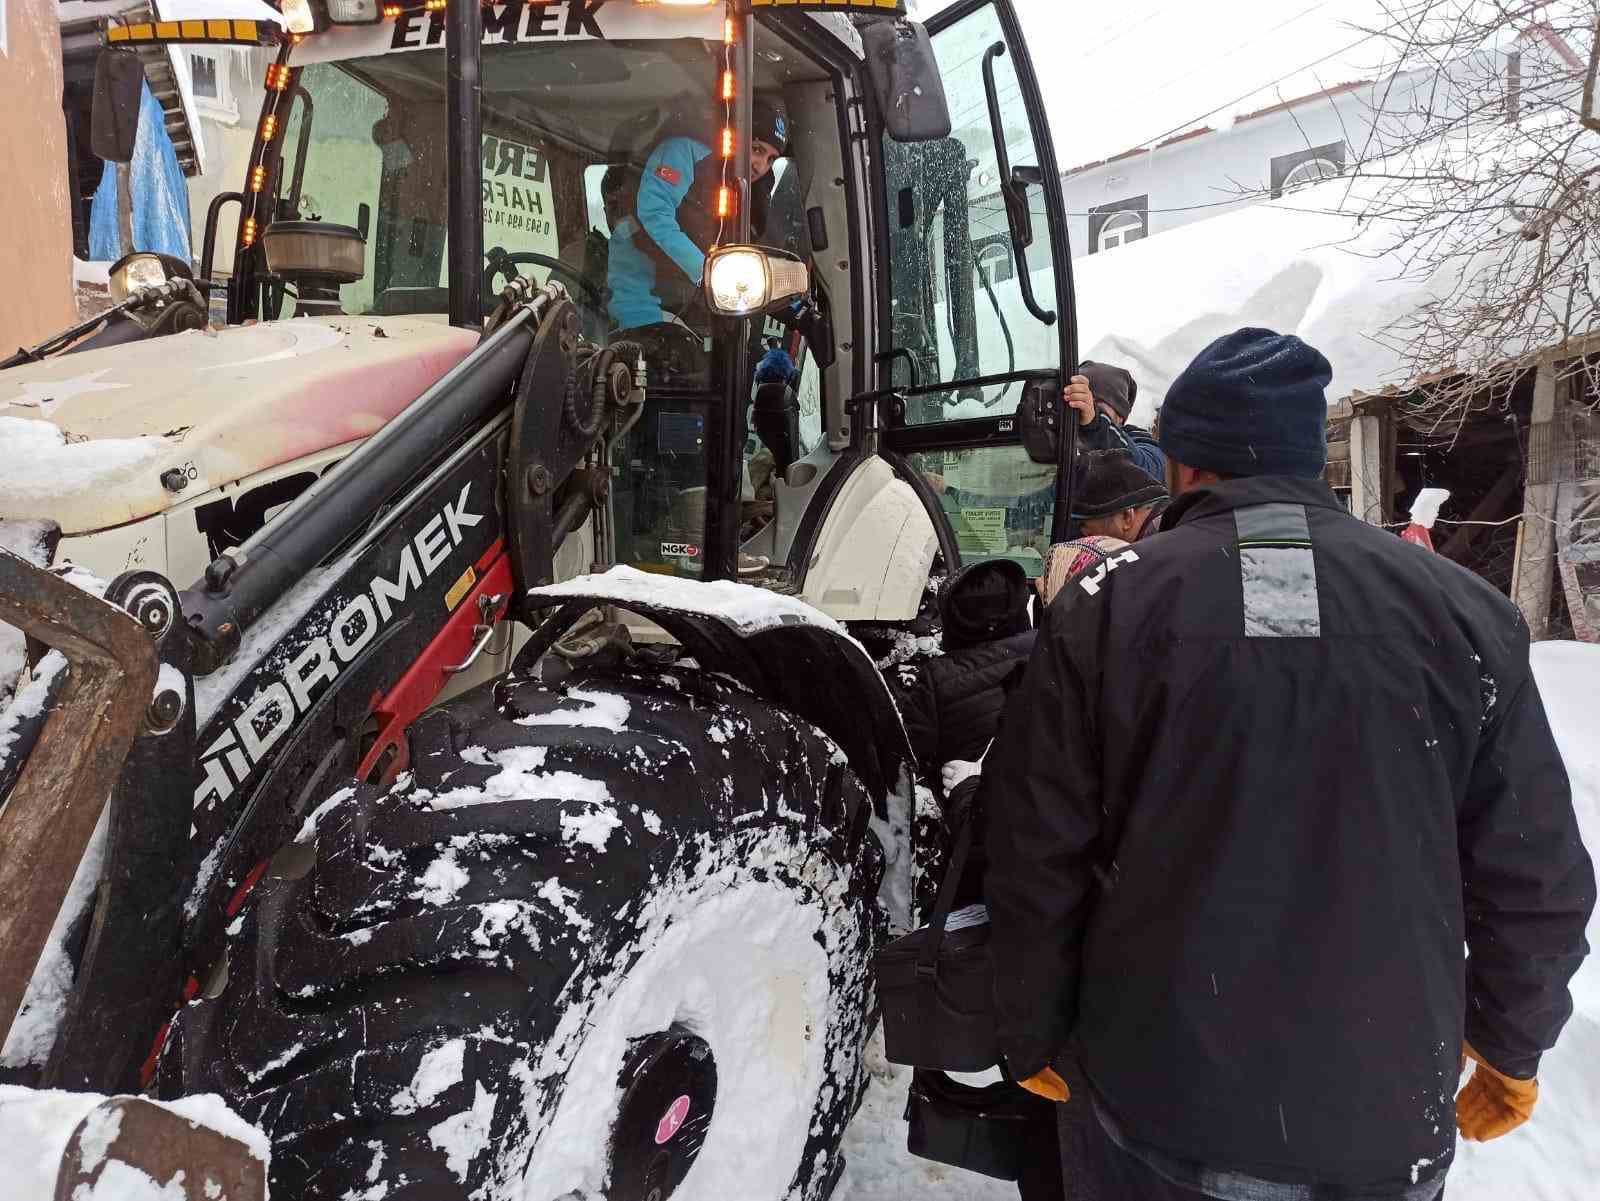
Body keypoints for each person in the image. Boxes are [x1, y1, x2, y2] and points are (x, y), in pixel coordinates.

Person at [982, 326, 1595, 1200]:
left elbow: (1035, 853)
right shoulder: (1468, 614)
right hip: (1380, 1124)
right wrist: (1511, 1039)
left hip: (1158, 1108)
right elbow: (1538, 873)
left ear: (1184, 467)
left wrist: (1032, 1028)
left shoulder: (1107, 603)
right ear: (1309, 460)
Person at [607, 98, 789, 330]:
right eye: (756, 149)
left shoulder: (742, 190)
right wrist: (709, 274)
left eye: (770, 159)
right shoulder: (682, 151)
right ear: (735, 137)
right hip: (639, 288)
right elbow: (655, 215)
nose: (760, 166)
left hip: (687, 299)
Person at [1062, 361, 1165, 481]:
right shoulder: (1061, 437)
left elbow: (1151, 468)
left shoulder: (1137, 438)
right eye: (1084, 398)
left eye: (1097, 402)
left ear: (1120, 415)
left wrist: (1095, 423)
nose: (1086, 407)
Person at [1070, 449, 1168, 543]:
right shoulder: (1169, 526)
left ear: (1126, 517)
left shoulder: (1155, 552)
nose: (1082, 533)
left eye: (1082, 524)